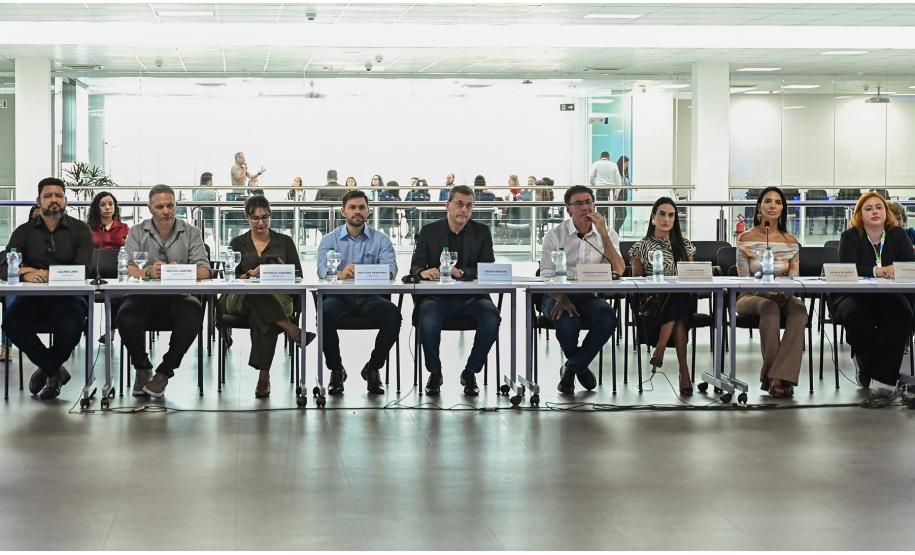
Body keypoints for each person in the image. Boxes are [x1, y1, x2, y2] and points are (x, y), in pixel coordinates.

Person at [0, 177, 92, 400]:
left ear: (66, 200)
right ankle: (54, 369)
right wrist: (26, 272)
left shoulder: (80, 230)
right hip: (32, 297)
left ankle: (48, 369)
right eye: (48, 196)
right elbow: (4, 265)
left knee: (72, 326)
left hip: (68, 297)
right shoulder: (24, 231)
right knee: (11, 324)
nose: (53, 200)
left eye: (58, 196)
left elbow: (83, 269)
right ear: (38, 200)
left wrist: (51, 275)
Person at [117, 184, 211, 399]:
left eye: (170, 205)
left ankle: (164, 372)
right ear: (150, 208)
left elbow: (205, 271)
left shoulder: (191, 232)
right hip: (142, 297)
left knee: (193, 311)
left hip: (178, 296)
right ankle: (142, 368)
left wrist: (181, 271)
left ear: (176, 206)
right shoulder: (137, 232)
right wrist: (149, 271)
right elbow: (127, 268)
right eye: (160, 207)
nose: (166, 211)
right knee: (125, 315)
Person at [409, 185, 501, 396]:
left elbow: (488, 267)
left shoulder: (482, 232)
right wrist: (423, 272)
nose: (464, 210)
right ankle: (435, 372)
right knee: (428, 318)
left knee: (491, 318)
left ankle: (470, 371)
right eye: (459, 204)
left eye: (469, 205)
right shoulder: (429, 231)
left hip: (473, 297)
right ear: (447, 205)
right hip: (436, 298)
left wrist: (462, 273)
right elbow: (415, 267)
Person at [220, 196, 314, 398]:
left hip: (279, 298)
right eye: (255, 218)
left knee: (263, 317)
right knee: (257, 292)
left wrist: (282, 269)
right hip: (242, 297)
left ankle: (264, 377)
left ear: (270, 216)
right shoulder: (237, 243)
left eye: (265, 217)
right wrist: (250, 275)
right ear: (247, 219)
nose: (261, 222)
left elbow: (298, 276)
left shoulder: (284, 242)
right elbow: (230, 277)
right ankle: (293, 330)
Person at [540, 185, 624, 395]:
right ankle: (580, 366)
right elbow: (546, 274)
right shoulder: (555, 235)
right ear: (568, 209)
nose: (586, 207)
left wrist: (603, 233)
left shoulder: (607, 233)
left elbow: (619, 269)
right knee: (567, 324)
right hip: (556, 295)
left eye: (589, 202)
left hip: (588, 296)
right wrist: (562, 297)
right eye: (579, 204)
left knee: (608, 318)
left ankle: (571, 367)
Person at [316, 190, 402, 395]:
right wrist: (339, 273)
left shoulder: (381, 240)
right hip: (339, 298)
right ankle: (336, 370)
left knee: (393, 315)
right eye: (352, 207)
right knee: (324, 314)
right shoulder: (330, 239)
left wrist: (364, 272)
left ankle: (373, 367)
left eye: (362, 207)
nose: (357, 211)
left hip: (371, 298)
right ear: (343, 211)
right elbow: (321, 270)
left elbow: (391, 270)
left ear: (368, 211)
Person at [834, 192, 914, 390]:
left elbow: (909, 265)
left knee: (902, 311)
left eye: (879, 207)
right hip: (855, 295)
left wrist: (897, 270)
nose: (875, 212)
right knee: (856, 315)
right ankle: (866, 365)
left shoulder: (898, 235)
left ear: (886, 212)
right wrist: (876, 271)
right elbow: (848, 268)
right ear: (860, 215)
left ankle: (883, 380)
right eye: (868, 209)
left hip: (889, 294)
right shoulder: (850, 237)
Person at [736, 186, 807, 398]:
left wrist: (784, 292)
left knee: (799, 311)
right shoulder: (745, 238)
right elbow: (743, 278)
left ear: (783, 208)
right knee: (770, 308)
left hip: (784, 295)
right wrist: (768, 293)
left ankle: (777, 377)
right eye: (768, 201)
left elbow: (794, 276)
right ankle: (777, 379)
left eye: (777, 202)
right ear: (759, 206)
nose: (773, 206)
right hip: (751, 297)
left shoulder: (791, 241)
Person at [628, 197, 696, 394]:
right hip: (653, 303)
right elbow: (637, 284)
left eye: (671, 215)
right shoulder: (641, 246)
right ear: (653, 218)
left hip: (681, 299)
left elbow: (691, 277)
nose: (667, 219)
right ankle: (684, 372)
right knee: (677, 299)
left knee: (678, 294)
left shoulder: (685, 245)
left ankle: (660, 349)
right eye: (662, 214)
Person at [590, 151, 622, 226]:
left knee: (600, 212)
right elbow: (618, 181)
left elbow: (591, 178)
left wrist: (594, 185)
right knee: (609, 212)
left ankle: (600, 230)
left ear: (601, 157)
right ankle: (608, 230)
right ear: (609, 157)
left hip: (600, 189)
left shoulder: (596, 164)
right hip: (611, 191)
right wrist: (617, 193)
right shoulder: (613, 165)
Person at [614, 155, 630, 233]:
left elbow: (627, 183)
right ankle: (614, 230)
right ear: (621, 163)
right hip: (619, 196)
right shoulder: (617, 172)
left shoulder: (625, 173)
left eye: (627, 164)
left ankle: (615, 232)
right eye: (626, 163)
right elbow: (617, 184)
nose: (627, 165)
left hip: (624, 196)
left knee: (619, 215)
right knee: (623, 214)